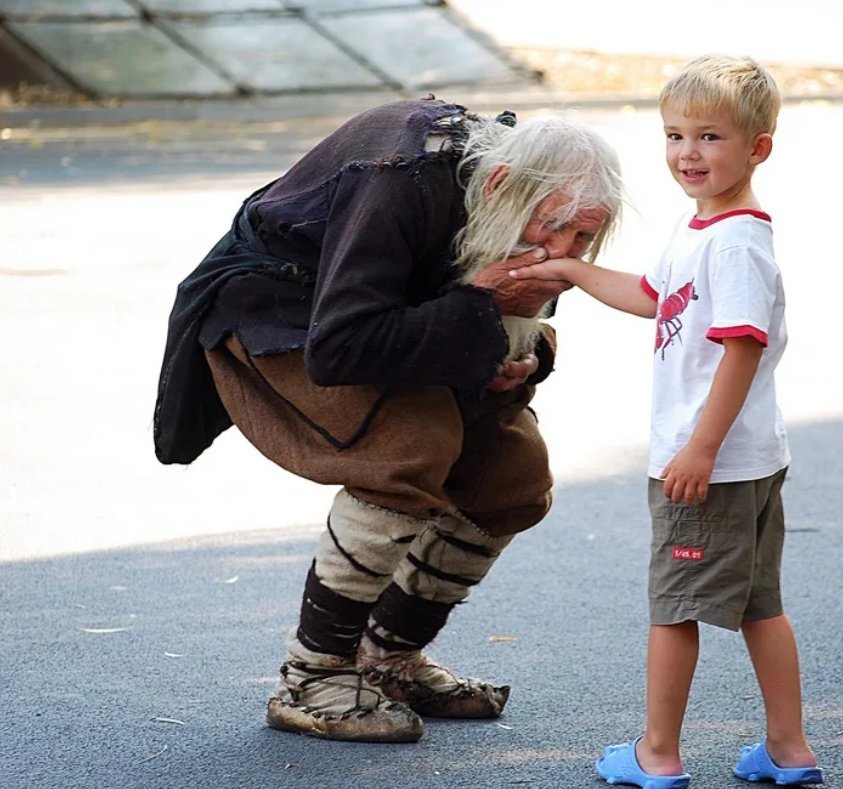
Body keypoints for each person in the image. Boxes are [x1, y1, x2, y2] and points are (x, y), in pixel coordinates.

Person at [153, 96, 624, 743]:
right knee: (408, 446)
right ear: (499, 186)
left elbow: (497, 314)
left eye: (581, 238)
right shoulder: (400, 173)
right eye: (554, 229)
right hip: (282, 310)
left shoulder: (514, 194)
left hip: (392, 317)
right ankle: (311, 676)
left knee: (511, 474)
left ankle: (389, 660)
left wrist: (523, 353)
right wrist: (479, 313)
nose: (563, 255)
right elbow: (342, 346)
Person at [511, 56, 825, 787]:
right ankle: (787, 748)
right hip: (740, 459)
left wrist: (697, 448)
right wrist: (571, 274)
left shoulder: (736, 241)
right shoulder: (702, 227)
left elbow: (741, 347)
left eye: (710, 137)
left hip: (708, 462)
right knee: (758, 604)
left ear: (757, 148)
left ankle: (658, 752)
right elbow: (655, 295)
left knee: (672, 608)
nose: (687, 152)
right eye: (674, 135)